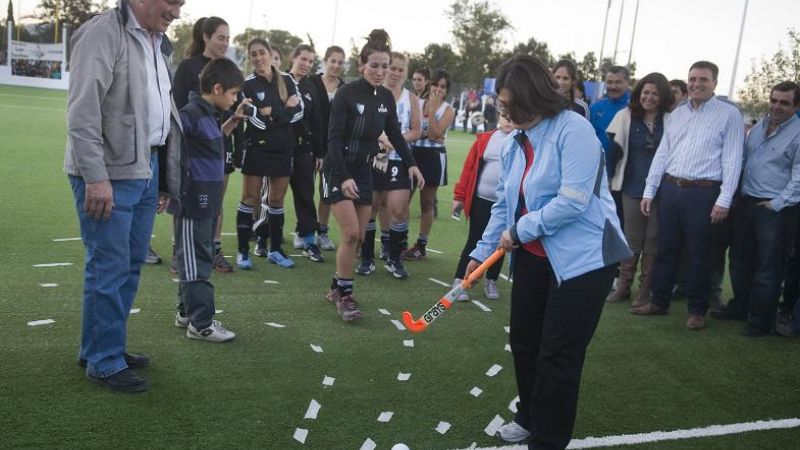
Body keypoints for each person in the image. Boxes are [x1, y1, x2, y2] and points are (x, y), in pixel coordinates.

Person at [466, 55, 630, 449]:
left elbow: (573, 200)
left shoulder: (574, 129)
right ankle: (529, 416)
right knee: (524, 342)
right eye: (503, 106)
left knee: (558, 356)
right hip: (535, 258)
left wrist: (520, 230)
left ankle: (549, 440)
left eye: (512, 104)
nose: (507, 112)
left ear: (535, 95)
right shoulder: (513, 142)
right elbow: (504, 205)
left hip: (584, 262)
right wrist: (481, 251)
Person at [65, 0, 184, 393]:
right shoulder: (103, 32)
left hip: (143, 169)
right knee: (109, 266)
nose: (177, 13)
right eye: (172, 3)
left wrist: (162, 176)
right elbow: (83, 113)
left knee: (129, 265)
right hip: (108, 174)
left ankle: (102, 346)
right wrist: (96, 178)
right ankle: (103, 360)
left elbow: (161, 113)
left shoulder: (157, 40)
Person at [321, 29, 424, 322]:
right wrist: (342, 177)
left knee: (357, 239)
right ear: (362, 64)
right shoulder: (346, 93)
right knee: (352, 233)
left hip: (363, 172)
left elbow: (395, 134)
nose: (381, 72)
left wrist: (412, 163)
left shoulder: (385, 99)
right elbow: (332, 140)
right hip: (338, 169)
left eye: (385, 66)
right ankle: (346, 296)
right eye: (375, 65)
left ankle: (336, 286)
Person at [632, 61, 745, 331]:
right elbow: (663, 153)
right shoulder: (678, 113)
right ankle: (658, 302)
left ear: (714, 82)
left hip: (704, 193)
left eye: (703, 79)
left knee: (698, 254)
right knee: (665, 249)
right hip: (671, 189)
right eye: (692, 79)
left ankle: (697, 310)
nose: (696, 84)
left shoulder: (729, 114)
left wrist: (724, 199)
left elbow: (733, 158)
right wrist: (650, 189)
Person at [172, 59, 249, 342]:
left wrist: (234, 120)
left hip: (206, 200)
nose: (235, 98)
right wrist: (167, 189)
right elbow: (172, 147)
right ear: (217, 88)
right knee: (196, 260)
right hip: (194, 200)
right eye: (232, 93)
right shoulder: (191, 114)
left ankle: (186, 312)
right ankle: (201, 324)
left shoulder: (209, 114)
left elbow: (212, 140)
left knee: (196, 255)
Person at [719, 81, 800, 336]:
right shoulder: (757, 128)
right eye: (774, 100)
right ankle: (740, 307)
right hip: (745, 202)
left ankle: (761, 320)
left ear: (796, 106)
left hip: (775, 209)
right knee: (740, 261)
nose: (777, 106)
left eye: (784, 103)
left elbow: (799, 177)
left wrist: (776, 204)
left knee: (768, 267)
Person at [167, 16, 235, 274]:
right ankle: (179, 251)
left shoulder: (228, 67)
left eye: (228, 38)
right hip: (194, 148)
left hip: (220, 144)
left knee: (216, 200)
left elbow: (229, 108)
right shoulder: (188, 67)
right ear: (206, 37)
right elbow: (178, 109)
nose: (225, 43)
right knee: (188, 196)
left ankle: (213, 249)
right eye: (221, 37)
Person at [604, 73, 673, 306]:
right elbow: (613, 152)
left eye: (654, 93)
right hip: (631, 185)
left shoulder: (672, 120)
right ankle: (624, 286)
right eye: (645, 92)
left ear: (662, 96)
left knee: (653, 239)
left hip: (662, 189)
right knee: (632, 238)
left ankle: (646, 290)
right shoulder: (625, 116)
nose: (649, 97)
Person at [237, 38, 301, 269]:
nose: (258, 57)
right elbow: (253, 117)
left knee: (276, 200)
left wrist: (271, 112)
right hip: (257, 148)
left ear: (270, 53)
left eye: (261, 52)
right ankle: (243, 252)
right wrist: (282, 111)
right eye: (253, 54)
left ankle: (275, 249)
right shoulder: (247, 84)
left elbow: (299, 113)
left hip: (283, 147)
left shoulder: (287, 80)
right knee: (249, 198)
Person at [358, 51, 421, 278]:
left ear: (405, 73)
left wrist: (396, 140)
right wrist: (378, 139)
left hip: (398, 160)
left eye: (400, 70)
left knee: (397, 209)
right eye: (391, 68)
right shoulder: (373, 94)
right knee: (370, 208)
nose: (394, 73)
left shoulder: (410, 98)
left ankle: (394, 259)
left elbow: (416, 129)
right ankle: (366, 259)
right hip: (374, 157)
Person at [452, 114, 514, 301]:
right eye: (505, 115)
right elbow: (469, 168)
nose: (508, 119)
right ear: (498, 116)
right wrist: (459, 196)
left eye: (512, 116)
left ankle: (491, 280)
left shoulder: (521, 140)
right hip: (480, 200)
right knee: (474, 240)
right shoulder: (486, 138)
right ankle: (459, 281)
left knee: (500, 243)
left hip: (506, 204)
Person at [403, 69, 455, 261]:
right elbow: (412, 130)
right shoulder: (418, 103)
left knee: (427, 202)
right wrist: (427, 133)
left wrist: (432, 111)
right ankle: (400, 241)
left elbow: (435, 133)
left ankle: (421, 246)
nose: (438, 89)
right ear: (429, 84)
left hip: (433, 157)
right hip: (414, 153)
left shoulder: (448, 109)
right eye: (436, 85)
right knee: (403, 200)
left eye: (443, 86)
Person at [287, 44, 325, 263]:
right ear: (294, 57)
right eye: (303, 59)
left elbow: (317, 122)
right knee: (272, 197)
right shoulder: (280, 81)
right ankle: (266, 239)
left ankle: (308, 239)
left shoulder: (311, 87)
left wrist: (319, 153)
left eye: (311, 61)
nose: (306, 64)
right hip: (280, 150)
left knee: (305, 195)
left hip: (304, 151)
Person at [309, 46, 346, 251]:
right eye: (333, 61)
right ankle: (304, 231)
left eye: (340, 62)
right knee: (305, 191)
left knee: (326, 193)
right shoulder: (312, 83)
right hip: (310, 146)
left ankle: (321, 231)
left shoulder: (344, 87)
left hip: (332, 148)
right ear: (325, 61)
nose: (336, 65)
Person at [590, 66, 631, 226]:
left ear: (627, 83)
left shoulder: (634, 107)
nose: (613, 86)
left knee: (618, 221)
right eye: (609, 82)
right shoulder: (596, 108)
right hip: (599, 172)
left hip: (623, 175)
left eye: (618, 82)